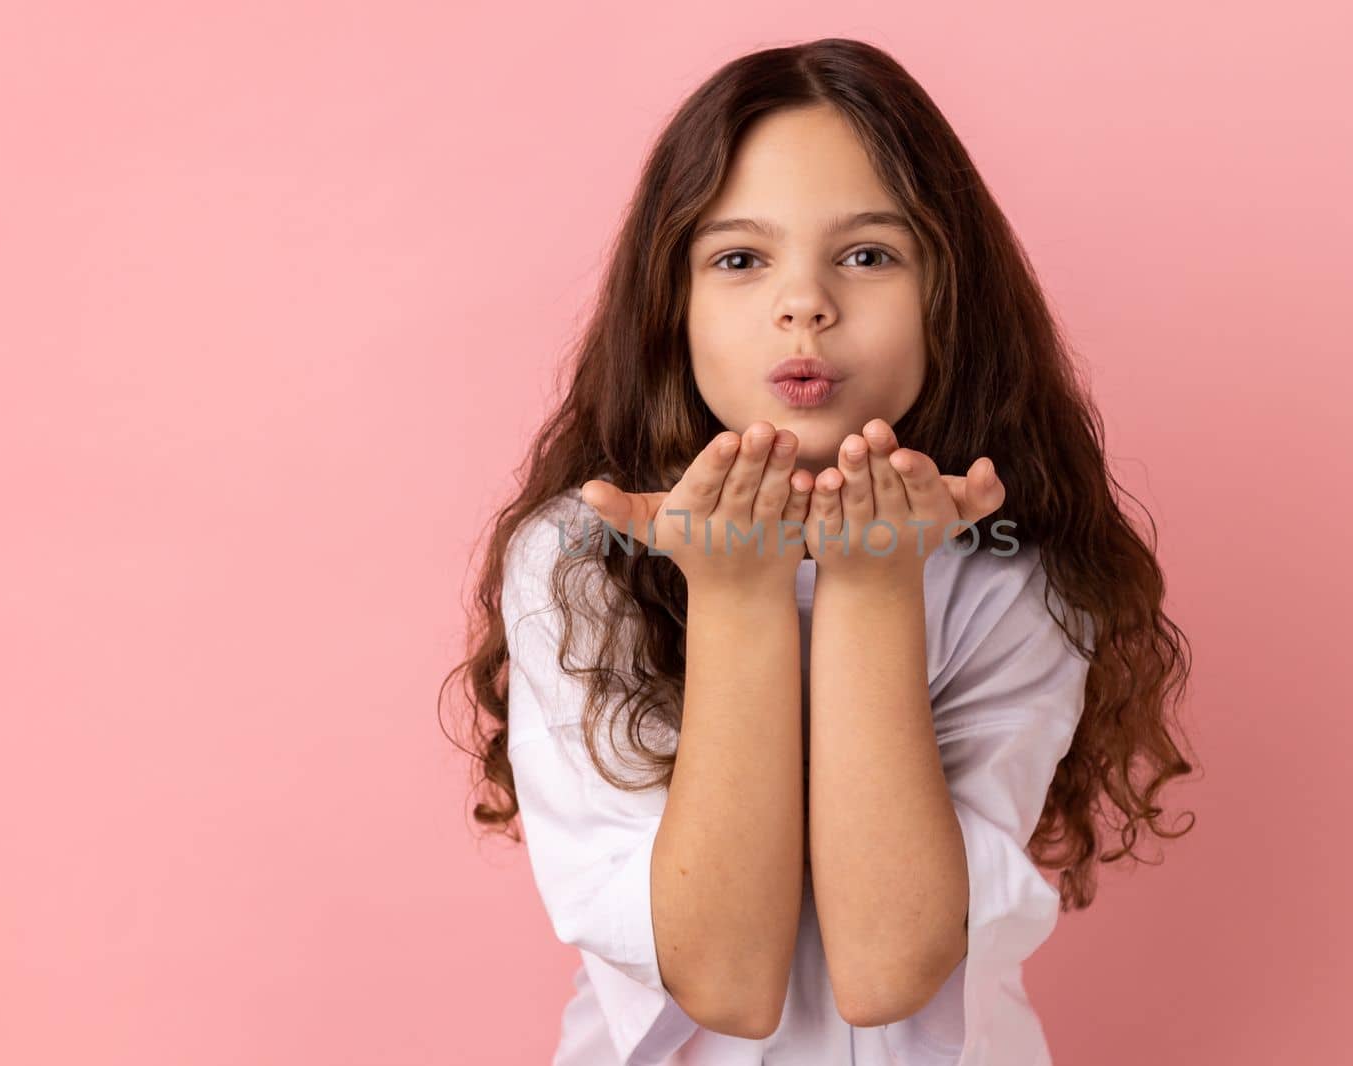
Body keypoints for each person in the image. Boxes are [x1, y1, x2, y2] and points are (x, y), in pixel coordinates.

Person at [443, 37, 1196, 1066]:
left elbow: (888, 968)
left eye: (867, 254)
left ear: (947, 299)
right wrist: (739, 591)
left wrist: (874, 584)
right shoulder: (580, 563)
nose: (806, 305)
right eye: (741, 259)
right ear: (673, 310)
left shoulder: (1020, 565)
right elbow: (724, 979)